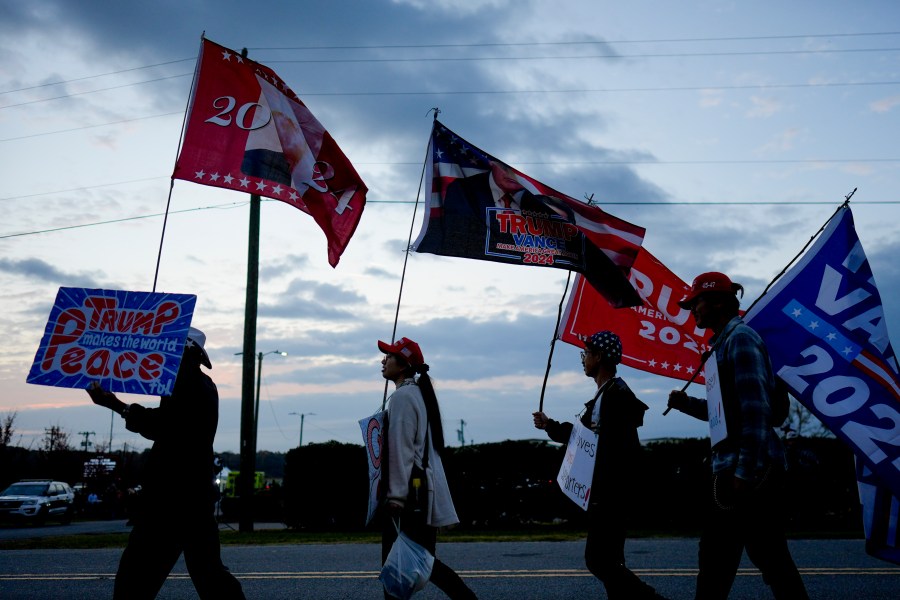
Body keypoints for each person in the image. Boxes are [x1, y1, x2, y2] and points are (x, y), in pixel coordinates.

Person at [666, 272, 809, 600]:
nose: (692, 311)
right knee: (760, 560)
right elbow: (725, 414)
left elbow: (755, 412)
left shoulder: (740, 339)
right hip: (737, 472)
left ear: (717, 301)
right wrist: (685, 403)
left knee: (723, 560)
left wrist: (743, 474)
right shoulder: (721, 345)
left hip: (746, 474)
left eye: (695, 303)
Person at [86, 327, 246, 600]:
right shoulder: (195, 384)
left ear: (185, 353)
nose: (160, 356)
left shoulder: (189, 384)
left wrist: (117, 405)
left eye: (167, 349)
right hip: (190, 500)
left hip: (171, 503)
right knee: (209, 576)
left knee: (135, 579)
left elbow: (162, 425)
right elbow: (167, 422)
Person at [533, 331, 666, 600]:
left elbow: (612, 447)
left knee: (599, 561)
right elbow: (583, 436)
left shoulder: (615, 396)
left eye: (587, 354)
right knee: (610, 563)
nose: (583, 359)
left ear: (600, 356)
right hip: (608, 493)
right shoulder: (607, 394)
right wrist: (550, 426)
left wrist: (603, 490)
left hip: (610, 494)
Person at [378, 336, 477, 599]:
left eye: (389, 356)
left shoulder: (402, 397)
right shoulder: (418, 394)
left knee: (405, 561)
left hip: (409, 491)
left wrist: (396, 496)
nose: (383, 360)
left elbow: (402, 451)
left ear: (403, 364)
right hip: (421, 489)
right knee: (417, 559)